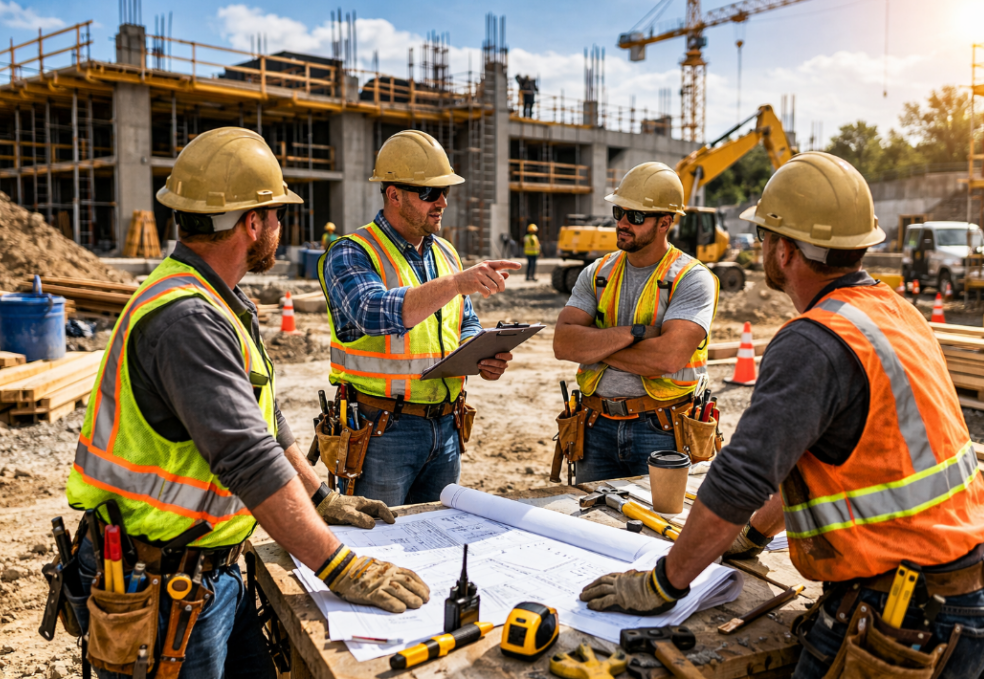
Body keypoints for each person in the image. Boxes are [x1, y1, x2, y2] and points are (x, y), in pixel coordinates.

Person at [578, 152, 984, 679]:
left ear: (783, 251)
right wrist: (755, 535)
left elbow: (741, 477)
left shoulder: (813, 341)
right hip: (978, 594)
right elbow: (827, 453)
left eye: (762, 237)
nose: (761, 247)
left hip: (906, 615)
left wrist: (661, 584)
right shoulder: (896, 313)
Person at [65, 128, 430, 679]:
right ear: (252, 223)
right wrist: (341, 565)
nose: (281, 229)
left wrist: (321, 496)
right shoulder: (187, 318)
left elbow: (266, 420)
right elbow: (249, 459)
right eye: (277, 215)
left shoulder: (216, 298)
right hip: (159, 583)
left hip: (207, 569)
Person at [320, 129, 521, 506]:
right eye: (429, 192)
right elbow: (371, 312)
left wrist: (479, 352)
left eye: (445, 191)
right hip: (381, 432)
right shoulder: (351, 252)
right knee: (377, 542)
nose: (441, 201)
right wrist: (457, 282)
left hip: (445, 427)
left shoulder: (445, 253)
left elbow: (465, 321)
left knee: (438, 539)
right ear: (393, 194)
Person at [552, 162, 718, 483]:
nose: (624, 223)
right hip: (595, 425)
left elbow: (667, 358)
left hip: (661, 430)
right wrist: (635, 334)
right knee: (592, 527)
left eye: (637, 216)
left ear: (664, 223)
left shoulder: (691, 278)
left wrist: (594, 347)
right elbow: (563, 344)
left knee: (660, 525)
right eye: (620, 212)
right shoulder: (598, 273)